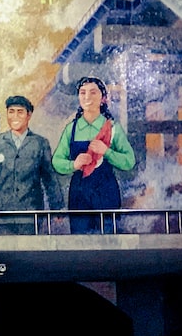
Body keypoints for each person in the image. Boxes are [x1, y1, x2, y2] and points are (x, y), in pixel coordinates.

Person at [51, 76, 136, 235]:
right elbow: (57, 161)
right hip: (79, 195)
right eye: (82, 93)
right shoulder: (71, 129)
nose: (87, 97)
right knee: (79, 243)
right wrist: (73, 165)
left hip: (106, 193)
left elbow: (129, 161)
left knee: (109, 242)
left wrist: (107, 152)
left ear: (103, 98)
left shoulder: (113, 128)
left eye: (93, 93)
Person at [0, 94, 63, 235]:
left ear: (29, 115)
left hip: (31, 213)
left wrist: (57, 207)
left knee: (29, 253)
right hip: (3, 212)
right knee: (4, 253)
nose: (15, 116)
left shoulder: (40, 143)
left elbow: (49, 178)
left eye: (20, 112)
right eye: (11, 111)